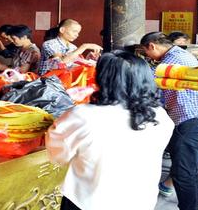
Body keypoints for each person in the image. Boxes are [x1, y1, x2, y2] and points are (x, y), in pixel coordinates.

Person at [46, 51, 174, 210]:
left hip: (90, 201)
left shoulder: (84, 115)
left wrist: (52, 127)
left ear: (103, 79)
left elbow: (58, 154)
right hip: (140, 199)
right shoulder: (160, 116)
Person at [140, 32, 198, 210]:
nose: (147, 57)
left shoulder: (173, 60)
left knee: (184, 172)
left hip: (190, 119)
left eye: (145, 52)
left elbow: (146, 80)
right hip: (189, 118)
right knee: (183, 170)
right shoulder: (177, 55)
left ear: (151, 46)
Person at [38, 19, 102, 76]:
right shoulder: (49, 44)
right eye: (74, 31)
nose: (77, 35)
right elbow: (61, 62)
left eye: (78, 32)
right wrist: (84, 46)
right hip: (47, 83)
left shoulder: (73, 47)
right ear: (62, 30)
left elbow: (74, 64)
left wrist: (89, 59)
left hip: (65, 81)